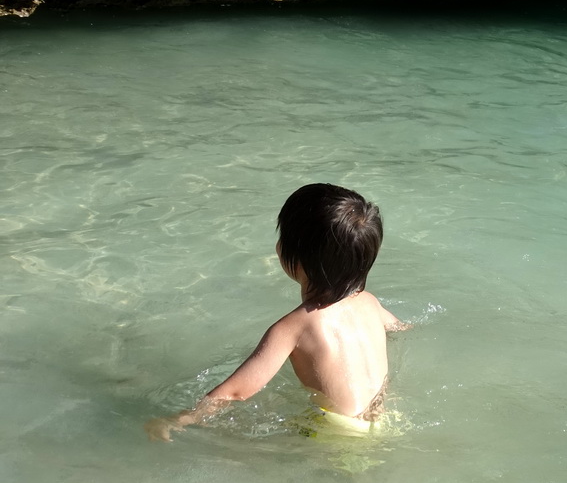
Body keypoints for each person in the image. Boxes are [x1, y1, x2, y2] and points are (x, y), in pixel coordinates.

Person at [145, 183, 408, 442]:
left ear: (291, 255)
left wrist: (180, 419)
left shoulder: (293, 328)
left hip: (334, 433)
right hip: (383, 419)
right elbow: (399, 328)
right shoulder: (370, 304)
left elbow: (236, 392)